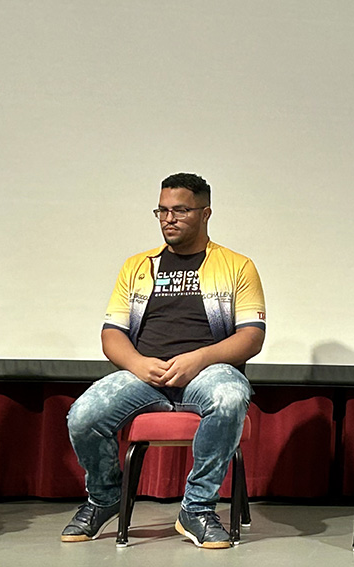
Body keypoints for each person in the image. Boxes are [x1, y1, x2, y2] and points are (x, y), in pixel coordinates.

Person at [62, 173, 266, 549]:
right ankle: (105, 497)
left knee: (230, 398)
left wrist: (199, 359)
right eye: (162, 210)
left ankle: (197, 507)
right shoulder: (138, 266)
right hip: (145, 375)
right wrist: (137, 364)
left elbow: (251, 337)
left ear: (205, 213)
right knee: (84, 415)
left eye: (180, 211)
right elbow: (112, 335)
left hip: (208, 373)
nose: (169, 219)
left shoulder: (238, 266)